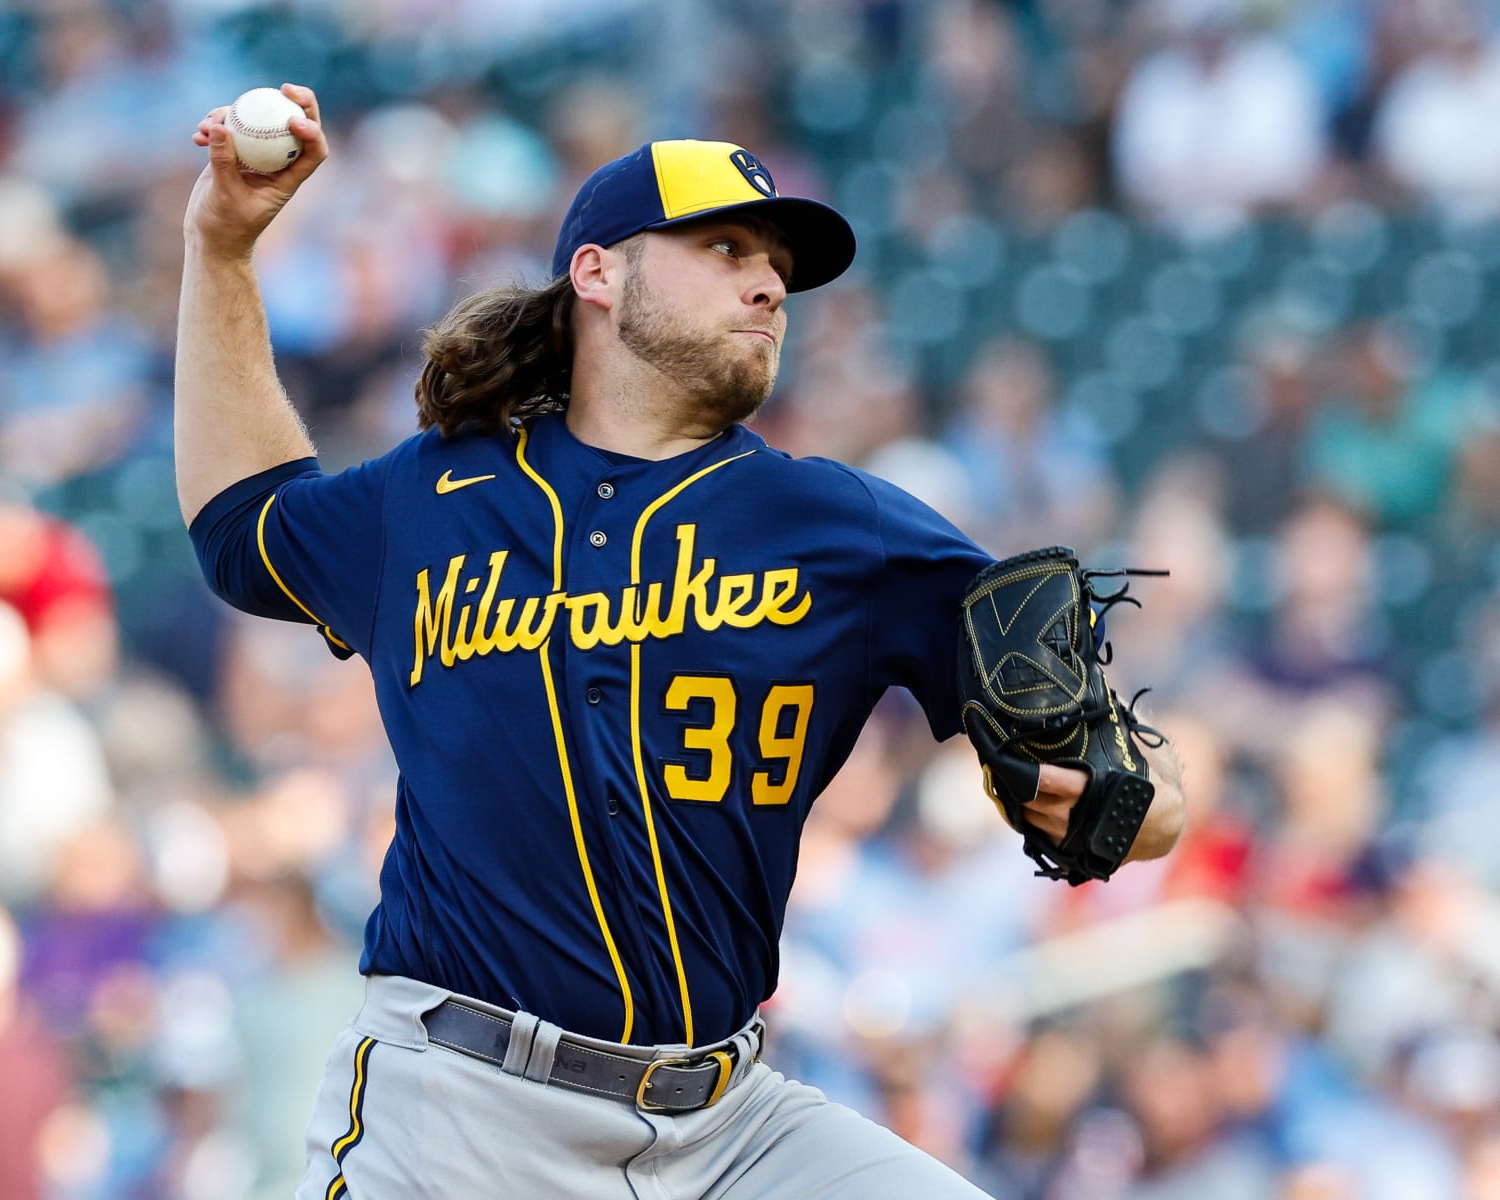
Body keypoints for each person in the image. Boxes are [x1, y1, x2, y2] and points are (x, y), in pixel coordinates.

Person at [175, 83, 1186, 1199]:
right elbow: (238, 526)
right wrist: (221, 250)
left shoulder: (841, 528)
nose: (768, 281)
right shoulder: (436, 495)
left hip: (728, 1127)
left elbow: (1132, 787)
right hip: (459, 1109)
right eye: (725, 245)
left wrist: (1125, 798)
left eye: (778, 267)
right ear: (598, 273)